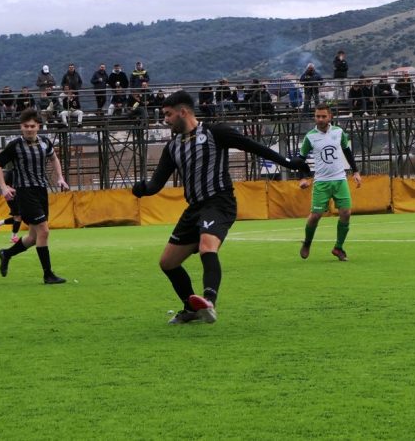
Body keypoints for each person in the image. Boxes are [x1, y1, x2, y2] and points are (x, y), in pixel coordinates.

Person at [131, 91, 307, 324]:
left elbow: (252, 147)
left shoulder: (215, 132)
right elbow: (156, 184)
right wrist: (142, 188)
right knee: (168, 263)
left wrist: (286, 162)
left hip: (219, 202)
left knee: (207, 247)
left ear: (183, 112)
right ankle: (191, 309)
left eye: (168, 114)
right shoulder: (172, 146)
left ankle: (209, 301)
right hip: (194, 208)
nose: (165, 119)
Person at [0, 109, 70, 284]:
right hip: (25, 193)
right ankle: (48, 274)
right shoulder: (15, 145)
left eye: (32, 126)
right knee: (44, 231)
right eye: (26, 126)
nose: (29, 129)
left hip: (41, 190)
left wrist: (60, 177)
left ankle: (6, 254)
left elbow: (54, 158)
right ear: (21, 127)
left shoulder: (45, 142)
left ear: (38, 127)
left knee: (33, 237)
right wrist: (4, 187)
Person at [297, 104, 362, 262]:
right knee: (315, 216)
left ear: (330, 117)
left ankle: (338, 248)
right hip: (321, 182)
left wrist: (355, 171)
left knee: (346, 213)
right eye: (317, 116)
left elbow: (347, 151)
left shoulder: (338, 132)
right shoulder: (310, 136)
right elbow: (301, 159)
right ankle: (307, 242)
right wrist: (304, 177)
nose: (320, 119)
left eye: (323, 116)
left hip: (340, 180)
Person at [0, 170, 23, 243]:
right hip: (12, 196)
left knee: (20, 216)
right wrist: (16, 191)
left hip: (20, 197)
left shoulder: (23, 172)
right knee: (19, 216)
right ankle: (13, 237)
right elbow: (6, 186)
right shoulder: (11, 173)